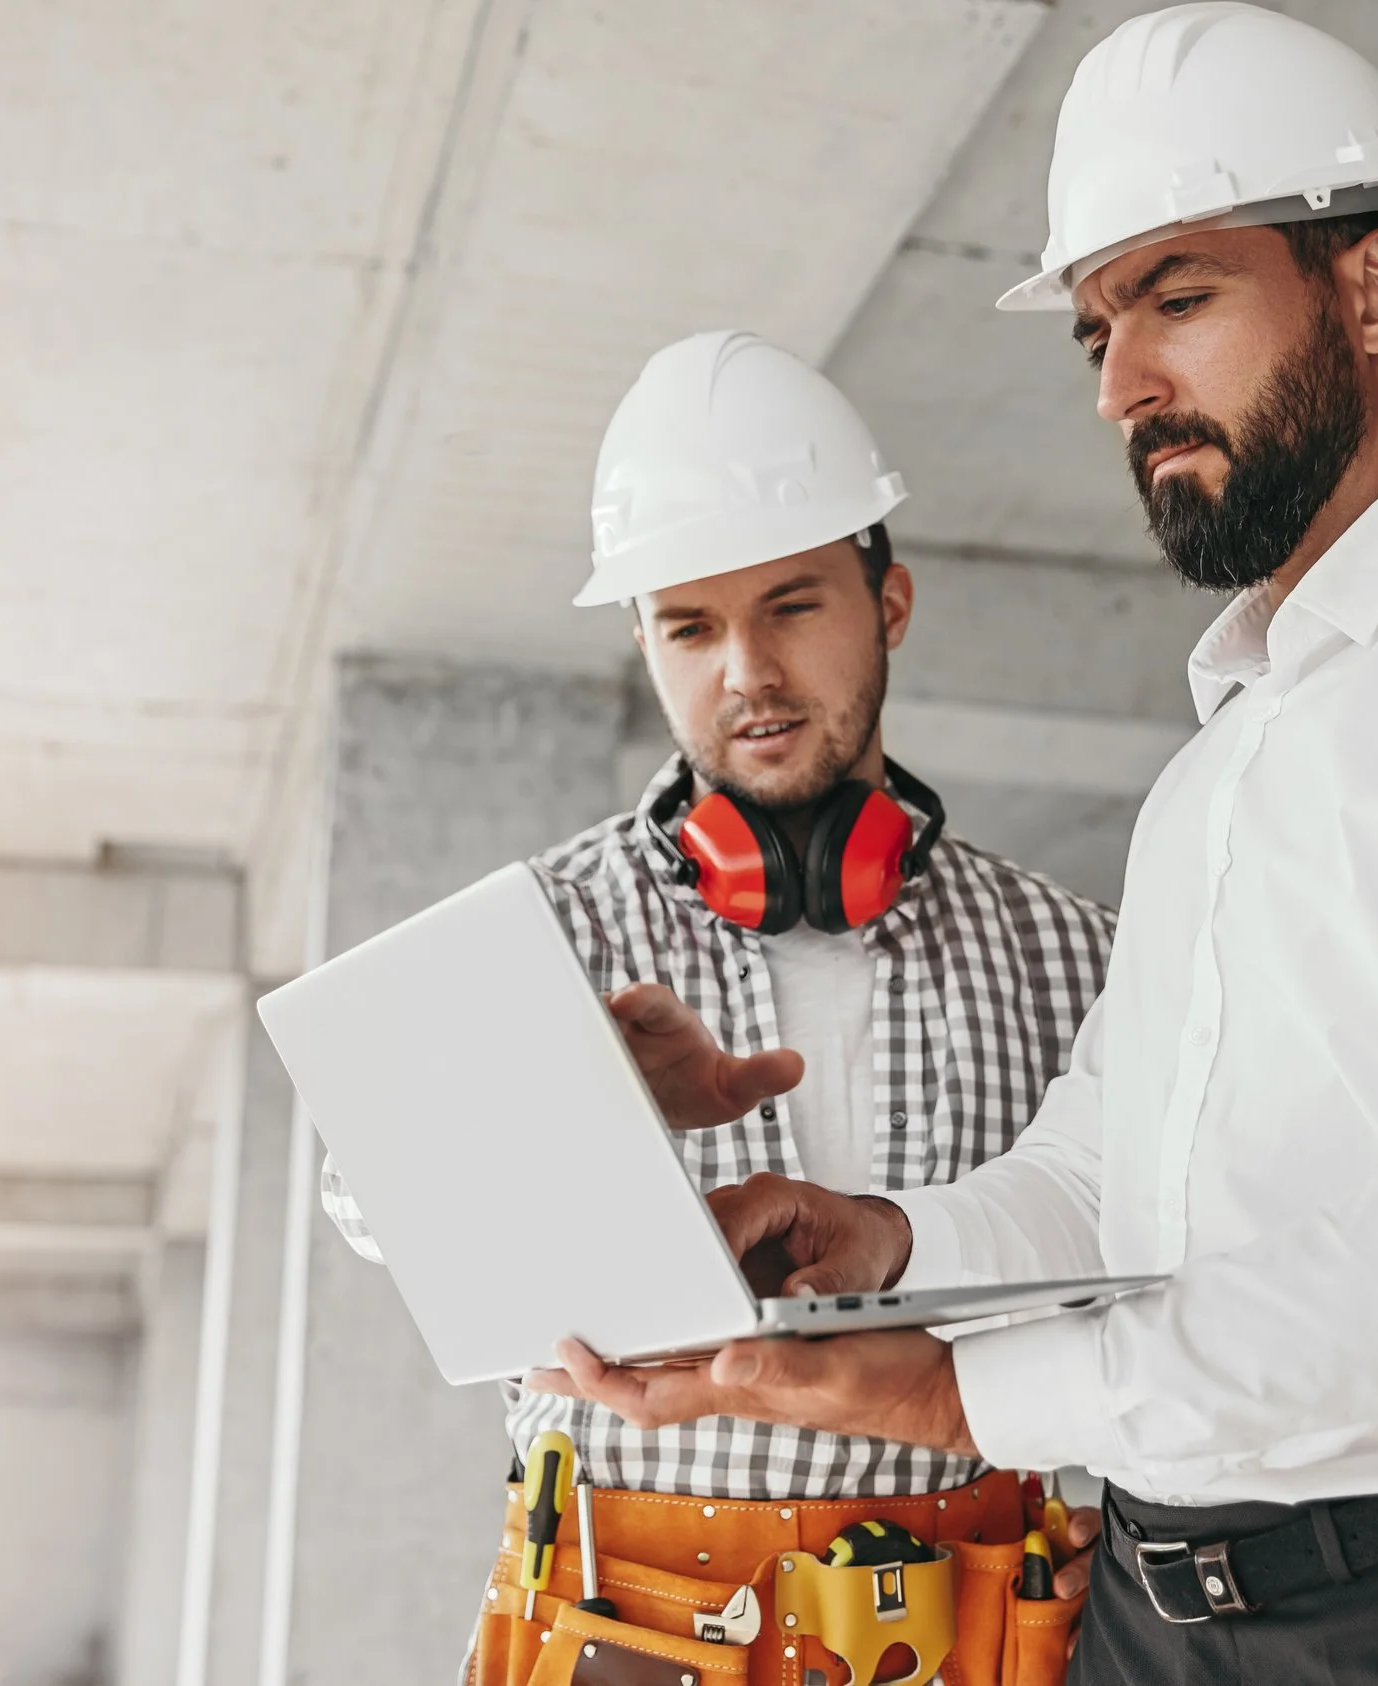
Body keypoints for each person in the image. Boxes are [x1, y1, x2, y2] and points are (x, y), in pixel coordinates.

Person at [530, 10, 1378, 1682]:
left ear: (1370, 292)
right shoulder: (1220, 768)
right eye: (1095, 332)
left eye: (1180, 298)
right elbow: (1104, 1173)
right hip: (1158, 1616)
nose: (1125, 384)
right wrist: (889, 1241)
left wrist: (958, 1388)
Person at [322, 329, 1115, 1682]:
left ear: (892, 602)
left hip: (989, 1619)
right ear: (645, 644)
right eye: (690, 625)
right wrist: (571, 1098)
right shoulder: (550, 930)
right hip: (636, 1626)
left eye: (793, 604)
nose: (745, 668)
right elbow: (369, 1193)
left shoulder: (1069, 950)